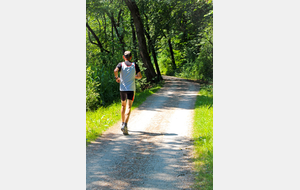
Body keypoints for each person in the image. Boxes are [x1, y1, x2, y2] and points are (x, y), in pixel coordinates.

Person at [114, 51, 142, 135]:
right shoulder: (134, 65)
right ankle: (125, 125)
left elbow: (115, 70)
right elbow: (140, 76)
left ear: (124, 57)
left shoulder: (121, 64)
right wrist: (133, 76)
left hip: (122, 89)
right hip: (131, 89)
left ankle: (122, 123)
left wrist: (117, 78)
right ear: (131, 57)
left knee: (123, 105)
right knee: (129, 107)